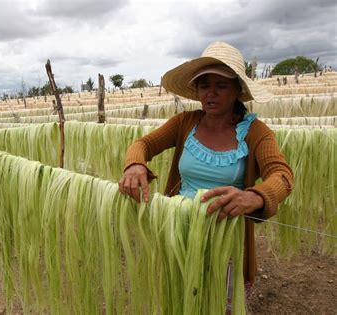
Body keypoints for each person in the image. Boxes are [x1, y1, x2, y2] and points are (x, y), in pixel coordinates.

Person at [118, 41, 294, 310]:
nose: (210, 94)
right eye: (204, 85)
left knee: (220, 305)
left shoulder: (256, 132)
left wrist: (255, 196)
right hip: (178, 231)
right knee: (179, 300)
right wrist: (135, 165)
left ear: (237, 89)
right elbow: (143, 144)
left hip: (227, 242)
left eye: (221, 85)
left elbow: (281, 175)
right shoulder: (184, 123)